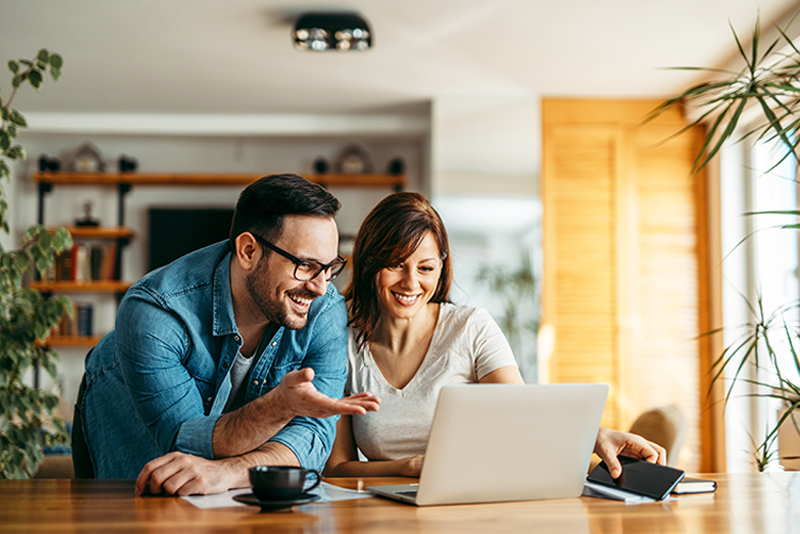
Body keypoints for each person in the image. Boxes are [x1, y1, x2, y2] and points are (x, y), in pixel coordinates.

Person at [71, 174, 380, 496]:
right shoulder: (156, 311)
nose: (320, 287)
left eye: (330, 268)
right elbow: (184, 441)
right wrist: (281, 407)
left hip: (230, 445)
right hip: (125, 415)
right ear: (248, 250)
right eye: (305, 265)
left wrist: (230, 471)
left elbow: (313, 437)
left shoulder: (325, 308)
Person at [324, 192, 666, 478]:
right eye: (396, 264)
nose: (411, 283)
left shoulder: (471, 328)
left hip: (472, 503)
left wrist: (596, 435)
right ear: (369, 263)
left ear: (441, 268)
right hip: (383, 513)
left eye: (425, 267)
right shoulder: (340, 341)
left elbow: (522, 411)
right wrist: (408, 467)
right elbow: (337, 467)